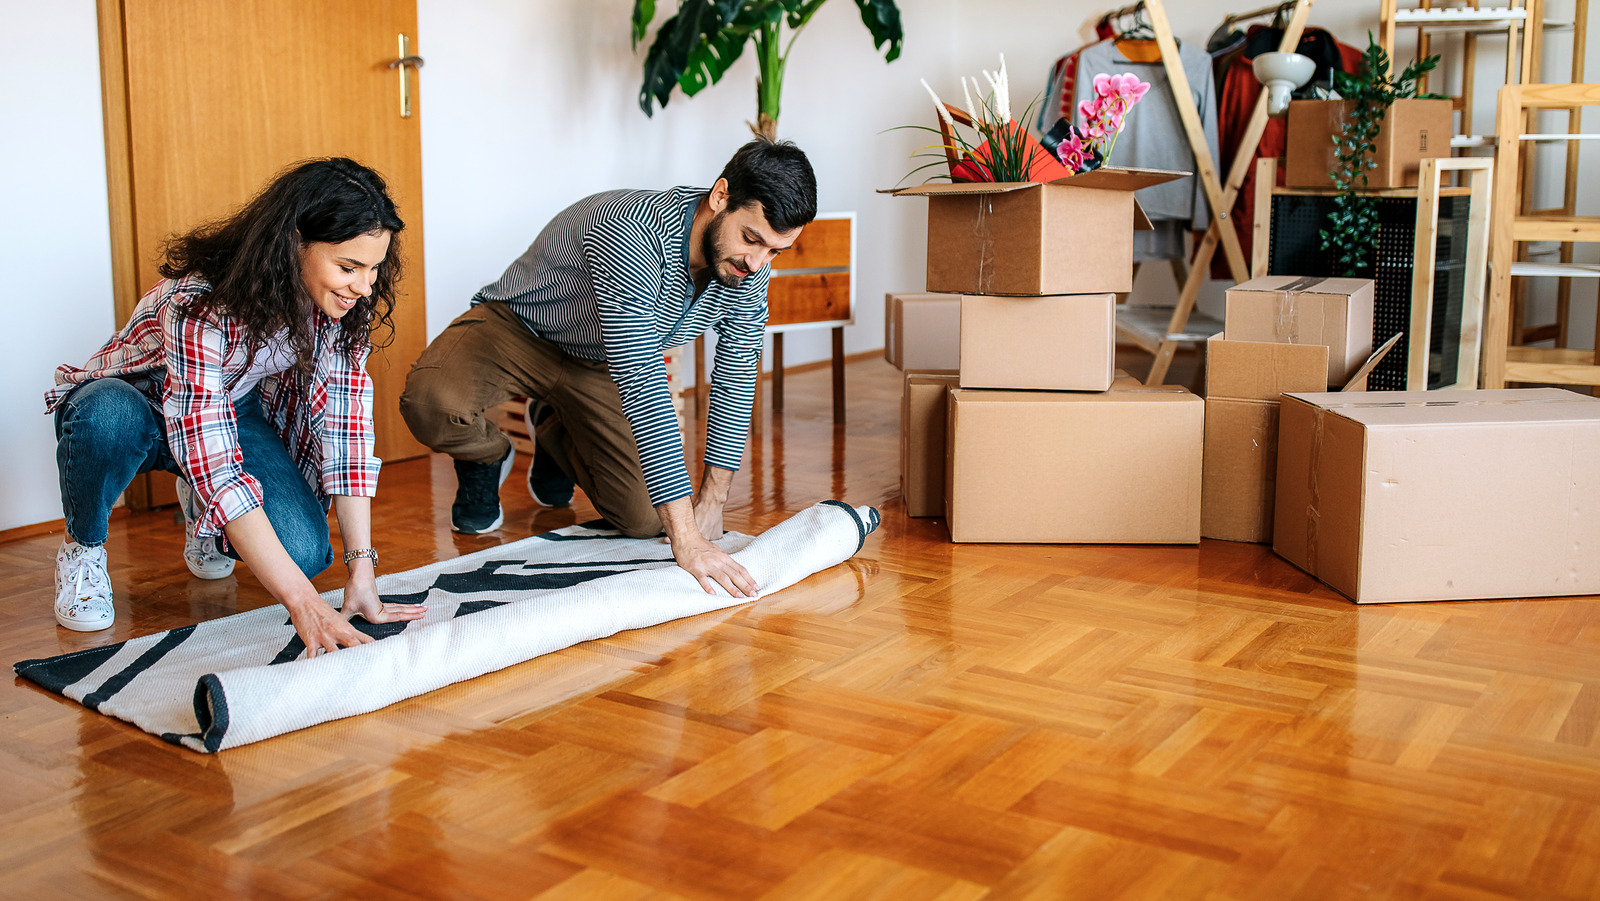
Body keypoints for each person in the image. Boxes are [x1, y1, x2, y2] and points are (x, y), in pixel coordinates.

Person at [400, 138, 817, 599]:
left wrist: (711, 503)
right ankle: (485, 456)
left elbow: (737, 370)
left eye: (775, 251)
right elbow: (642, 379)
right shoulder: (631, 233)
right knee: (429, 402)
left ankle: (554, 429)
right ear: (720, 197)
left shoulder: (746, 268)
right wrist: (687, 538)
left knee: (642, 517)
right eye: (751, 239)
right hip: (520, 328)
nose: (757, 263)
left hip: (598, 364)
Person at [45, 157, 426, 655]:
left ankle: (200, 502)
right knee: (105, 418)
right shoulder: (197, 303)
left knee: (305, 553)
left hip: (229, 410)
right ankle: (83, 546)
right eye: (349, 267)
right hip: (136, 400)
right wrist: (305, 605)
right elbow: (212, 450)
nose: (364, 286)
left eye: (374, 268)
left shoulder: (338, 306)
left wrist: (362, 570)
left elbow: (347, 432)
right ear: (293, 245)